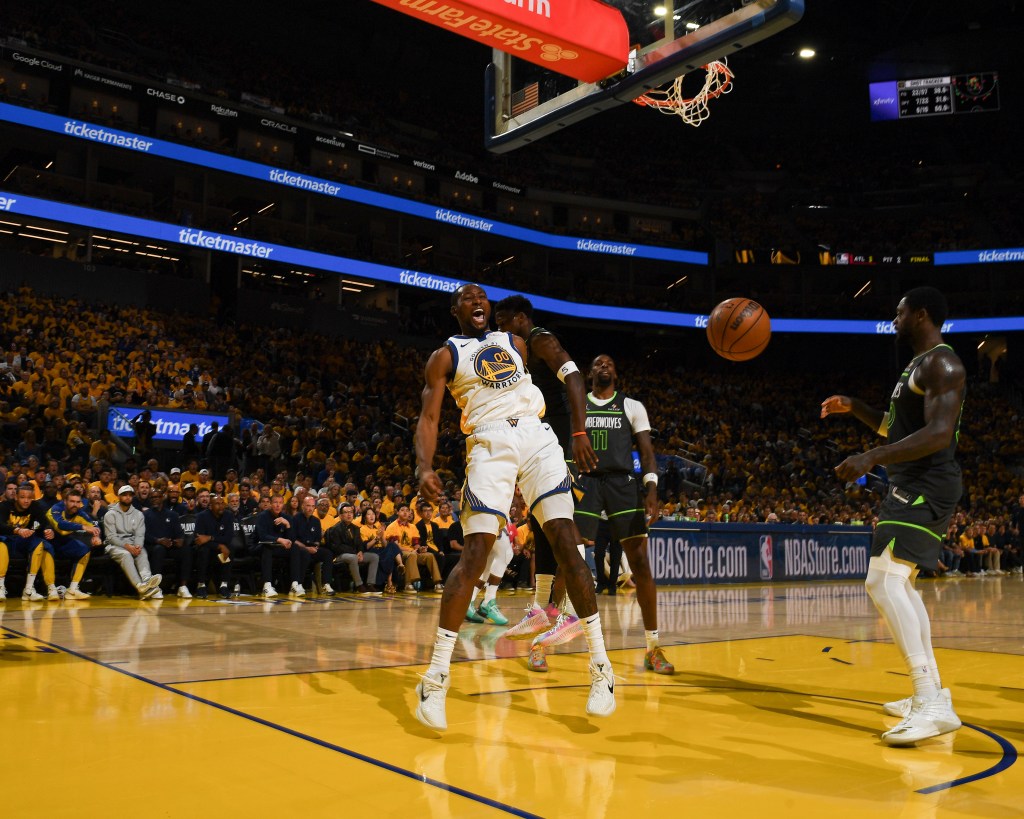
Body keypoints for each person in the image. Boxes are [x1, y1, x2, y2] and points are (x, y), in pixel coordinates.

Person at [413, 283, 615, 731]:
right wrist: (423, 467)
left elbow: (568, 369)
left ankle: (601, 669)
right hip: (488, 440)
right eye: (468, 298)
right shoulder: (447, 355)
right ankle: (436, 677)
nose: (479, 301)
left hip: (536, 435)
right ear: (456, 311)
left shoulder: (518, 342)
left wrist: (578, 430)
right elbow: (429, 417)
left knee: (567, 543)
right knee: (475, 555)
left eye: (483, 296)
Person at [821, 286, 965, 746]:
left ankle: (927, 700)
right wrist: (855, 408)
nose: (894, 317)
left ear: (921, 314)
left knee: (881, 582)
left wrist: (872, 457)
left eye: (900, 311)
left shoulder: (942, 362)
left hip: (926, 483)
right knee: (898, 584)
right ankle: (933, 695)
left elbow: (940, 433)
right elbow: (896, 426)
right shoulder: (916, 367)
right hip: (912, 484)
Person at [493, 295, 599, 662]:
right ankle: (544, 611)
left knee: (565, 529)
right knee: (543, 528)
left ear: (522, 319)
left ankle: (567, 613)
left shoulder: (541, 340)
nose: (501, 330)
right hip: (537, 441)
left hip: (559, 442)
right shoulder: (518, 352)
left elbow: (574, 377)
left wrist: (580, 432)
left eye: (505, 322)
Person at [554, 354, 673, 675]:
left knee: (640, 564)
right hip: (585, 484)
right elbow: (566, 449)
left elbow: (646, 452)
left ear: (616, 374)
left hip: (622, 484)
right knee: (567, 561)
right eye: (598, 363)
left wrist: (651, 488)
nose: (604, 366)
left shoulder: (632, 406)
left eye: (610, 363)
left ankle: (653, 647)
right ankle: (543, 639)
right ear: (590, 373)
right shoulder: (579, 405)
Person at [0, 483, 57, 601]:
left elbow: (45, 521)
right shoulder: (4, 506)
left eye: (29, 498)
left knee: (41, 544)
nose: (26, 501)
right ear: (16, 497)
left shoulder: (35, 506)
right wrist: (17, 530)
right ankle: (0, 587)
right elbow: (0, 526)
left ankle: (29, 589)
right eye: (22, 497)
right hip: (7, 541)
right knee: (1, 545)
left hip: (23, 543)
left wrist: (48, 529)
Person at [104, 485, 162, 599]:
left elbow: (140, 534)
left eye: (130, 495)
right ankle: (140, 586)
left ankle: (147, 583)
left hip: (132, 543)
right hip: (114, 545)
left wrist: (137, 546)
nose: (127, 497)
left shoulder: (138, 514)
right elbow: (111, 537)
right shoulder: (110, 514)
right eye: (124, 495)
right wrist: (127, 547)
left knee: (142, 552)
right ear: (119, 497)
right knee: (125, 555)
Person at [44, 487, 101, 600]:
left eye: (78, 502)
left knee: (84, 550)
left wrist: (96, 536)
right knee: (46, 547)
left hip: (63, 542)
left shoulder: (80, 513)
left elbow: (94, 526)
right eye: (72, 501)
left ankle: (73, 589)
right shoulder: (56, 509)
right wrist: (82, 527)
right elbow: (60, 525)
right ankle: (50, 588)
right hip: (47, 540)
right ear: (65, 501)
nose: (75, 504)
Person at [143, 487, 191, 598]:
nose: (155, 499)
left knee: (186, 550)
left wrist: (179, 540)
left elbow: (179, 532)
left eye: (157, 497)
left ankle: (183, 587)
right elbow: (144, 535)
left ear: (162, 498)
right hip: (153, 545)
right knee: (158, 550)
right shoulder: (146, 515)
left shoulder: (172, 514)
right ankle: (155, 587)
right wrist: (158, 540)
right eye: (152, 497)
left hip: (170, 545)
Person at [255, 494, 304, 597]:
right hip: (262, 547)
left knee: (295, 548)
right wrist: (279, 539)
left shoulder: (286, 518)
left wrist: (288, 525)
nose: (278, 505)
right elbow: (262, 536)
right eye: (275, 502)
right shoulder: (262, 516)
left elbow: (292, 540)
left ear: (283, 505)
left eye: (280, 503)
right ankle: (267, 586)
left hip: (278, 549)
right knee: (267, 548)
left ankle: (295, 584)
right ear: (270, 504)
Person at [324, 502, 379, 595]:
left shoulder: (356, 528)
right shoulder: (335, 529)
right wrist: (355, 553)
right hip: (339, 556)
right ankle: (359, 585)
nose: (349, 514)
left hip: (354, 554)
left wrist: (360, 551)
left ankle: (370, 584)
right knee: (353, 558)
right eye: (346, 512)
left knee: (374, 557)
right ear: (340, 516)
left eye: (351, 512)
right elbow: (337, 547)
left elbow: (360, 543)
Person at [193, 495, 235, 599]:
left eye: (222, 503)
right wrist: (219, 545)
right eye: (217, 504)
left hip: (219, 551)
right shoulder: (201, 516)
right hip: (205, 549)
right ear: (210, 506)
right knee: (204, 550)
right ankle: (201, 585)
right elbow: (200, 540)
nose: (221, 506)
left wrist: (210, 538)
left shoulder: (229, 515)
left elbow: (228, 538)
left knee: (229, 549)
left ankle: (224, 586)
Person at [292, 494, 336, 596]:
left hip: (312, 548)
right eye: (308, 505)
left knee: (328, 553)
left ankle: (326, 584)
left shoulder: (316, 521)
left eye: (312, 506)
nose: (310, 508)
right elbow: (293, 540)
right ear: (302, 506)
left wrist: (316, 546)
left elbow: (317, 540)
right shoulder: (295, 518)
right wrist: (307, 548)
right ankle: (299, 584)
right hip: (299, 549)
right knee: (305, 554)